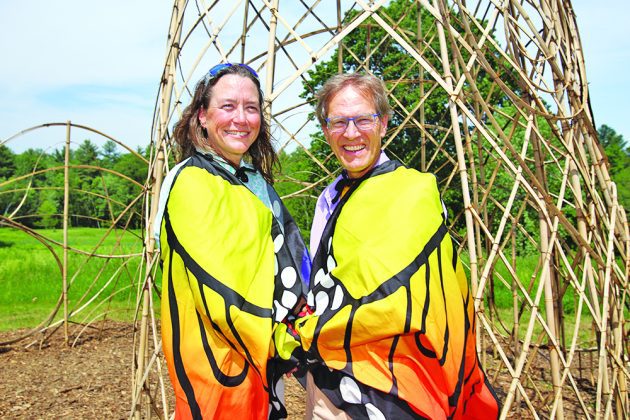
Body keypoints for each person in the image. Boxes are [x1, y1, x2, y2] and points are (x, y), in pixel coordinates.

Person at [294, 73, 500, 419]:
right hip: (331, 385)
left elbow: (422, 294)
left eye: (363, 119)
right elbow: (323, 284)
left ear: (384, 123)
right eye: (338, 122)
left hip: (401, 388)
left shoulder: (414, 193)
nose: (351, 133)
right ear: (326, 129)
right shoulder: (329, 200)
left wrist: (306, 334)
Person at [154, 63, 310, 419]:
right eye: (228, 106)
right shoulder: (191, 182)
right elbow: (221, 290)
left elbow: (291, 262)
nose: (241, 118)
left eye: (251, 108)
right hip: (217, 367)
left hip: (264, 366)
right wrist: (298, 342)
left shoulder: (255, 183)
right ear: (202, 117)